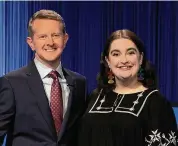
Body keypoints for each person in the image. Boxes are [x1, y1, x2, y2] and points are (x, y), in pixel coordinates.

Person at [0, 9, 87, 146]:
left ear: (65, 39)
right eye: (42, 36)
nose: (50, 42)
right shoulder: (11, 83)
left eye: (56, 35)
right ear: (31, 43)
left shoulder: (79, 83)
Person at [77, 29, 177, 146]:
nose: (124, 60)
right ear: (107, 61)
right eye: (116, 54)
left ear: (140, 58)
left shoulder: (157, 103)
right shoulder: (95, 97)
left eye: (131, 53)